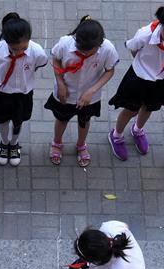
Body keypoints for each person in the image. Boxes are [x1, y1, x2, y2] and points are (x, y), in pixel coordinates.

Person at [108, 4, 164, 159]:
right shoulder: (145, 34)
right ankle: (116, 135)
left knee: (148, 107)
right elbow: (133, 48)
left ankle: (137, 130)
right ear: (162, 23)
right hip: (141, 77)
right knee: (130, 109)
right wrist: (145, 67)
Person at [45, 16, 119, 167]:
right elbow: (56, 59)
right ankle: (57, 142)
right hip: (65, 93)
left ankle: (81, 145)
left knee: (84, 120)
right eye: (81, 50)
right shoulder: (65, 43)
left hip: (89, 98)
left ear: (99, 44)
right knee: (61, 119)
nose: (84, 54)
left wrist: (91, 91)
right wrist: (60, 82)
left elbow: (110, 71)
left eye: (89, 51)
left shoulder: (108, 49)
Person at [0, 12, 49, 166]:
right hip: (1, 92)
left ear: (29, 39)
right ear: (6, 41)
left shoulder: (37, 51)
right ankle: (4, 142)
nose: (19, 52)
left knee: (18, 122)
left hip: (23, 94)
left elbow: (39, 65)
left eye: (23, 48)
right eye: (14, 49)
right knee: (3, 121)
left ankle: (14, 144)